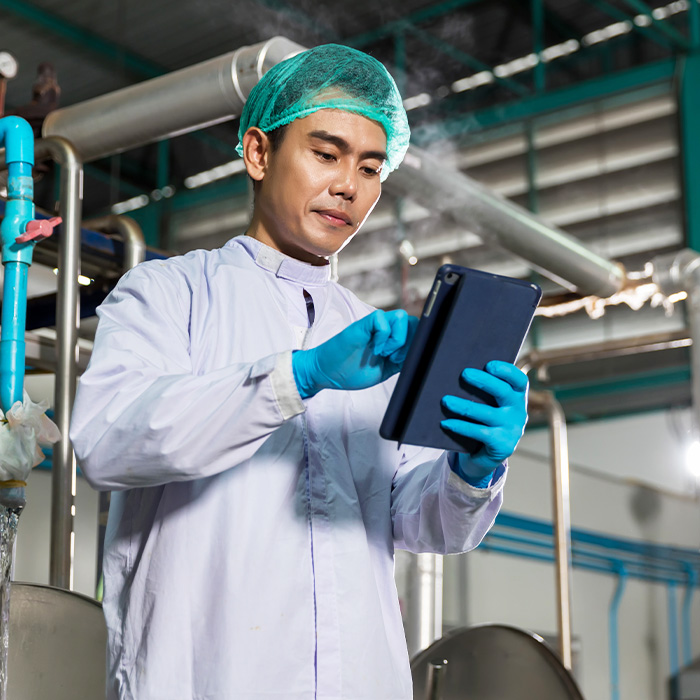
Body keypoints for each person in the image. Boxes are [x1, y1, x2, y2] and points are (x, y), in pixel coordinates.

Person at [70, 44, 529, 700]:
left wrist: (471, 470)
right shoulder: (169, 294)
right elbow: (108, 443)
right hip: (206, 678)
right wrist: (299, 377)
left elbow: (418, 522)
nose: (349, 185)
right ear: (258, 153)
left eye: (372, 168)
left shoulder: (376, 335)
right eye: (326, 152)